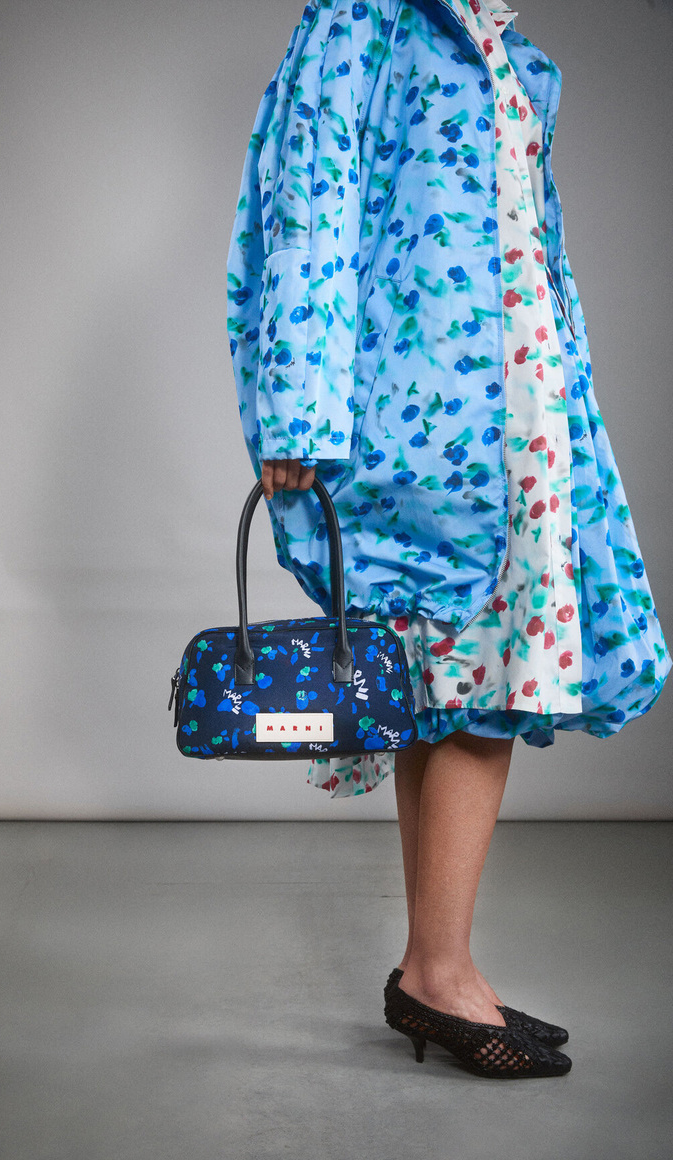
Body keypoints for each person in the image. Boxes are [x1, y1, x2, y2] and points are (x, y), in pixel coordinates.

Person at [227, 0, 671, 1078]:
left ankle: (436, 964)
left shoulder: (504, 46)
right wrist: (296, 411)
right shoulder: (363, 18)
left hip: (521, 406)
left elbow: (526, 239)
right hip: (428, 411)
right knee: (477, 673)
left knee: (443, 682)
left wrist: (565, 395)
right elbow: (308, 200)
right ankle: (439, 974)